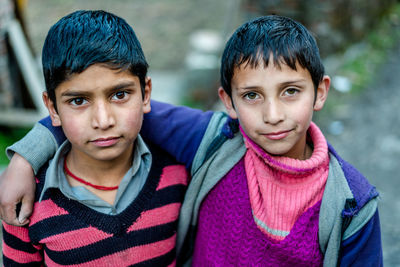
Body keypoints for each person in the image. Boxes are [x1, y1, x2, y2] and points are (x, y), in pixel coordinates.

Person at [0, 15, 382, 266]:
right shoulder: (211, 142)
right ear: (227, 101)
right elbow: (100, 113)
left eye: (290, 92)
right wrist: (25, 158)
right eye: (251, 96)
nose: (273, 115)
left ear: (320, 92)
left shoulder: (351, 205)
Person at [0, 10, 191, 266]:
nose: (103, 121)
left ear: (146, 94)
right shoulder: (27, 201)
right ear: (53, 109)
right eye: (78, 100)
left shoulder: (177, 177)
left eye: (120, 95)